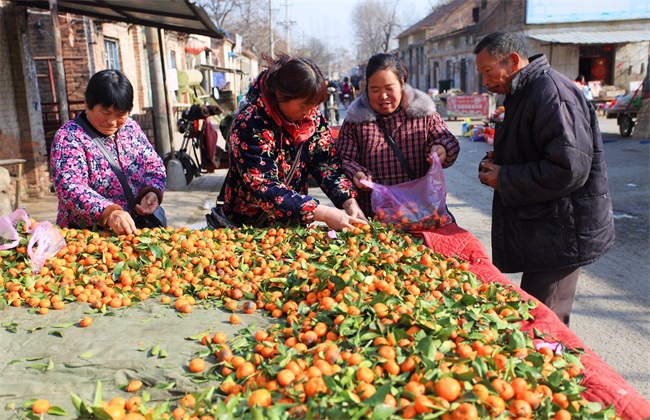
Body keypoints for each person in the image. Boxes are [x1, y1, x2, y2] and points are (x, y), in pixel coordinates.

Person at [474, 31, 615, 325]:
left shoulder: (552, 93)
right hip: (546, 230)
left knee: (543, 323)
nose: (486, 82)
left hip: (561, 233)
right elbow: (537, 150)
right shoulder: (525, 91)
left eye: (488, 72)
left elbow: (569, 168)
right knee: (536, 316)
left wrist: (507, 177)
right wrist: (498, 164)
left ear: (512, 61)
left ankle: (561, 371)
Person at [218, 53, 366, 231]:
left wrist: (349, 201)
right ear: (280, 95)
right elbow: (266, 188)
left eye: (313, 106)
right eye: (303, 105)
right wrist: (324, 213)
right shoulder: (250, 124)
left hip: (291, 227)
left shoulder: (312, 119)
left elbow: (326, 164)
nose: (309, 112)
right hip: (248, 228)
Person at [334, 53, 460, 217]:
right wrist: (356, 173)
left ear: (401, 83)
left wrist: (442, 148)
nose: (383, 96)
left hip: (421, 213)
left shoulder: (423, 112)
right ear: (367, 88)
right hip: (376, 215)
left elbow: (448, 139)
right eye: (375, 90)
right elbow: (343, 159)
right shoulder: (355, 120)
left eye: (389, 88)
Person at [50, 69, 166, 235]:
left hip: (133, 232)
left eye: (121, 114)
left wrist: (151, 192)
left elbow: (154, 166)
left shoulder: (130, 128)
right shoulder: (69, 137)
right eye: (105, 113)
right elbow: (70, 186)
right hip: (88, 237)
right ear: (87, 104)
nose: (112, 122)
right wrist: (108, 212)